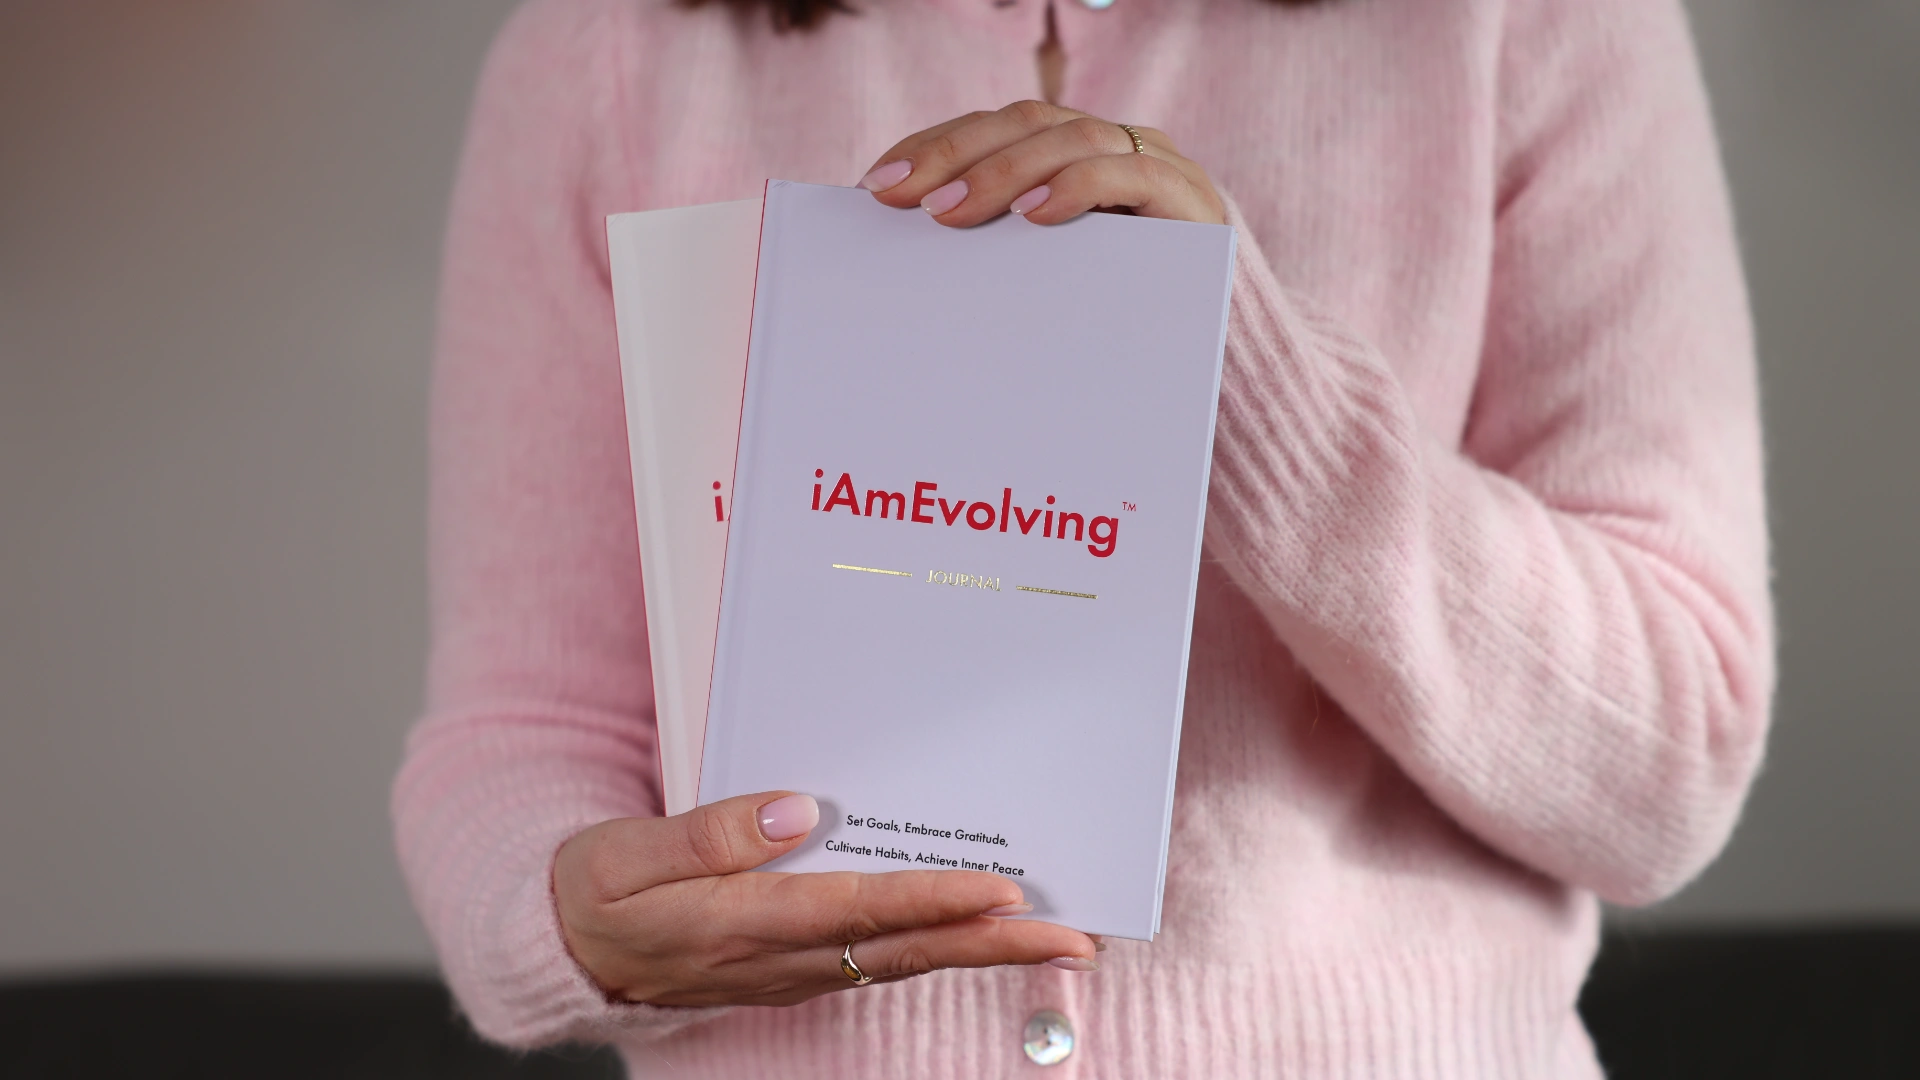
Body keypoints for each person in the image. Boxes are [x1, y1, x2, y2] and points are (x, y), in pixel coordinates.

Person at [393, 0, 1774, 1075]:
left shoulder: (1530, 23)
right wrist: (562, 922)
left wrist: (1240, 380)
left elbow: (1670, 753)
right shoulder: (611, 53)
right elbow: (520, 729)